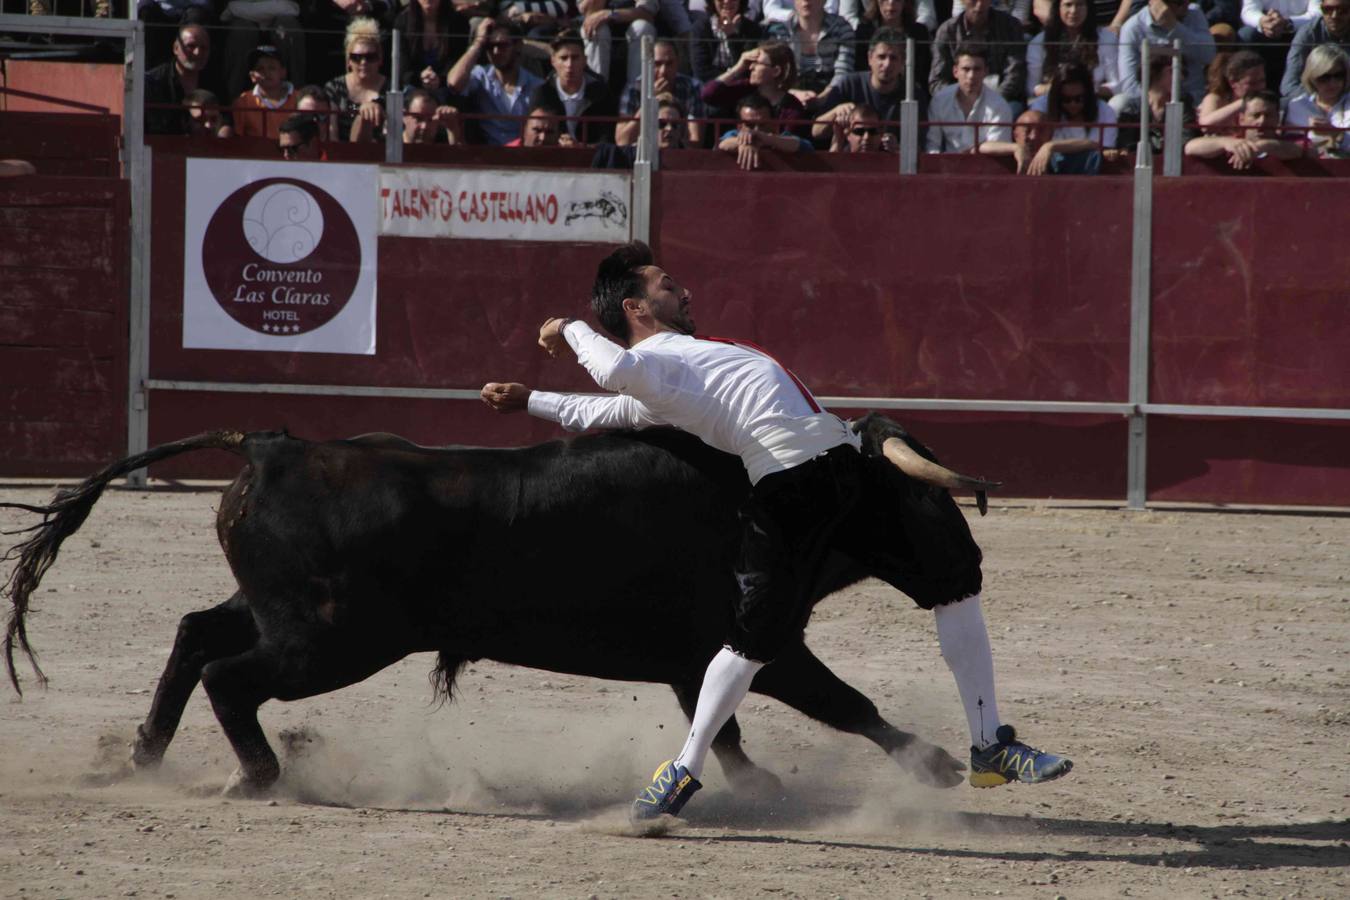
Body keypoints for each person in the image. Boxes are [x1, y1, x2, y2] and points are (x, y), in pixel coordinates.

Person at [481, 241, 1072, 822]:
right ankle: (684, 767)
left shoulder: (677, 371)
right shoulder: (648, 369)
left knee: (955, 584)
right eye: (666, 285)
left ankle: (991, 743)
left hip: (845, 469)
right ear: (634, 308)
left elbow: (594, 410)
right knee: (749, 642)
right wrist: (567, 327)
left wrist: (529, 398)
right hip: (788, 490)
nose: (684, 290)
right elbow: (609, 377)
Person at [810, 27, 922, 142]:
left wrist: (898, 149)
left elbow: (920, 145)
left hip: (893, 159)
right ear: (870, 58)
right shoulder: (848, 84)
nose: (887, 64)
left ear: (903, 62)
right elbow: (816, 131)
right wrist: (836, 112)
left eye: (893, 58)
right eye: (881, 57)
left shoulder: (913, 94)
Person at [447, 18, 547, 144]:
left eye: (502, 45)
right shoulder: (480, 75)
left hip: (522, 155)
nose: (495, 52)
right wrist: (478, 42)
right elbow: (454, 83)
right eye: (489, 46)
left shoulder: (536, 85)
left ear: (518, 46)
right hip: (485, 156)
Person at [1117, 0, 1217, 108]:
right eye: (1180, 2)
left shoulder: (1194, 14)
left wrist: (1174, 27)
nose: (1187, 5)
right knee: (1119, 103)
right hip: (1150, 105)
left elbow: (1209, 55)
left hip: (1193, 100)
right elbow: (1130, 85)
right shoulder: (1133, 28)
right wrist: (1158, 100)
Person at [929, 0, 1029, 108]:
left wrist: (992, 100)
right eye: (973, 0)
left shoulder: (1010, 26)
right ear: (962, 1)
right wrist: (961, 99)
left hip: (1001, 97)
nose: (979, 6)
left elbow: (1015, 74)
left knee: (1013, 110)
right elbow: (937, 81)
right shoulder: (948, 30)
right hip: (957, 100)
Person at [1020, 60, 1116, 171]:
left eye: (1079, 99)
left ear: (1088, 95)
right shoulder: (1042, 105)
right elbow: (1033, 143)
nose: (1073, 104)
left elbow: (1102, 148)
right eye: (1066, 99)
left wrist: (1050, 146)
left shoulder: (1105, 111)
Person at [530, 29, 619, 144]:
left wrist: (580, 148)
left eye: (575, 58)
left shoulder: (602, 94)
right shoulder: (542, 93)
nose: (569, 65)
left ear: (585, 60)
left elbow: (607, 140)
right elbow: (533, 136)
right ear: (553, 61)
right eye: (564, 58)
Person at [702, 42, 809, 136]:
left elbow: (790, 141)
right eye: (750, 63)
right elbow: (709, 94)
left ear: (776, 71)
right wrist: (738, 67)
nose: (750, 67)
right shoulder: (744, 89)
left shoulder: (792, 108)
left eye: (757, 63)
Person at [617, 39, 706, 146]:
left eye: (669, 63)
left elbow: (695, 142)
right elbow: (622, 141)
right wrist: (649, 101)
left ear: (678, 63)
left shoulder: (693, 87)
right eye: (657, 64)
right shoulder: (634, 89)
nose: (663, 71)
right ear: (648, 64)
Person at [925, 45, 1014, 151]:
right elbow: (932, 145)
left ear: (985, 72)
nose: (971, 75)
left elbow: (997, 148)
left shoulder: (999, 105)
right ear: (955, 71)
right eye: (966, 69)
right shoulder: (939, 100)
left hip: (984, 165)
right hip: (947, 165)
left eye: (977, 69)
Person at [1185, 88, 1309, 164]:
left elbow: (1305, 151)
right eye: (1256, 115)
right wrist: (1225, 143)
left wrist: (1264, 146)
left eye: (1268, 115)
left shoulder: (1289, 140)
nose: (1262, 121)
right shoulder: (1233, 142)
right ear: (1241, 119)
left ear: (1278, 118)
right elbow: (1190, 147)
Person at [1027, 0, 1119, 101]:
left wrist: (1088, 90)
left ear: (1088, 8)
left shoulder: (1107, 38)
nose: (1074, 11)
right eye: (1068, 5)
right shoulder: (1040, 41)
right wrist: (1057, 89)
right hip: (1052, 101)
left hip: (1093, 100)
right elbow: (1032, 87)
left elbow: (1116, 84)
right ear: (1058, 8)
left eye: (1080, 5)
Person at [766, 0, 858, 98]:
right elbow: (773, 76)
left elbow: (843, 72)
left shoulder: (842, 28)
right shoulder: (780, 31)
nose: (806, 1)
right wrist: (795, 95)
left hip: (832, 95)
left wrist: (822, 98)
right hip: (789, 95)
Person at [1115, 52, 1199, 151]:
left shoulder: (1184, 106)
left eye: (1183, 73)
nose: (1181, 77)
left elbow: (1184, 141)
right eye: (1172, 71)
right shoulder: (1131, 109)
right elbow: (1127, 146)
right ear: (1154, 72)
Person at [323, 17, 388, 141]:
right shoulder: (334, 87)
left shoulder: (391, 88)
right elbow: (333, 134)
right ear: (348, 61)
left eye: (370, 57)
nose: (363, 62)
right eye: (356, 57)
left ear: (380, 59)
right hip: (343, 154)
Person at [145, 23, 213, 135]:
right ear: (176, 48)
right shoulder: (153, 82)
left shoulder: (214, 81)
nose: (197, 52)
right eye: (191, 46)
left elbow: (225, 119)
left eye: (203, 48)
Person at [391, 0, 471, 92]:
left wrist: (439, 80)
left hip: (448, 86)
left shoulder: (458, 23)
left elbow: (457, 61)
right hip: (413, 85)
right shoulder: (402, 21)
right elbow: (402, 66)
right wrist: (420, 77)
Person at [1284, 43, 1350, 155]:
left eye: (1338, 75)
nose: (1332, 83)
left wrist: (1338, 134)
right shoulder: (1297, 106)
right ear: (1312, 77)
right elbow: (1291, 145)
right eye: (1324, 77)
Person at [717, 92, 813, 167]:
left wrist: (766, 139)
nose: (756, 130)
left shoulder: (783, 138)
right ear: (739, 126)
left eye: (762, 124)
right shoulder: (734, 134)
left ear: (774, 124)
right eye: (750, 125)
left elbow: (806, 146)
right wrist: (746, 142)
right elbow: (723, 144)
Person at [848, 0, 934, 83]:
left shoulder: (919, 32)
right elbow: (860, 70)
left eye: (897, 0)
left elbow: (924, 72)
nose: (891, 2)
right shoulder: (864, 31)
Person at [577, 0, 659, 84]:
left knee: (643, 27)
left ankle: (636, 90)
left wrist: (611, 14)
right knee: (597, 30)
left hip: (631, 39)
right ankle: (596, 88)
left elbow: (647, 15)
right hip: (602, 39)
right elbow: (588, 12)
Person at [1282, 0, 1350, 98]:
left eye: (1342, 10)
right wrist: (1320, 102)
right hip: (1314, 99)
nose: (1334, 15)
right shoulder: (1308, 33)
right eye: (1327, 9)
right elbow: (1289, 85)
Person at [232, 45, 299, 138]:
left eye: (272, 68)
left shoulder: (299, 98)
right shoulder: (243, 102)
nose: (266, 72)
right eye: (260, 69)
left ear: (283, 72)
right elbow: (238, 138)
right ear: (252, 76)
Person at [692, 0, 766, 83]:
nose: (727, 1)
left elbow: (747, 70)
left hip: (741, 87)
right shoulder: (701, 28)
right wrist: (725, 79)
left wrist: (731, 36)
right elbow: (701, 72)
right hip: (710, 87)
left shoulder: (752, 29)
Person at [1198, 49, 1267, 132]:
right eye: (1252, 83)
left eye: (1262, 81)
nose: (1259, 87)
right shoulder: (1215, 98)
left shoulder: (1266, 101)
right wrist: (1243, 103)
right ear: (1233, 83)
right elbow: (1205, 126)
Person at [827, 100, 895, 148]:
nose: (866, 137)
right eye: (859, 132)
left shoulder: (889, 158)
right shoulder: (841, 158)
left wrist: (897, 151)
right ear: (847, 134)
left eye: (872, 131)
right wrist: (838, 140)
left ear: (881, 134)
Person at [505, 99, 574, 144]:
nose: (542, 138)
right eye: (537, 130)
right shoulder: (506, 156)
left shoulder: (566, 155)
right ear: (524, 130)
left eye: (549, 132)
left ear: (559, 134)